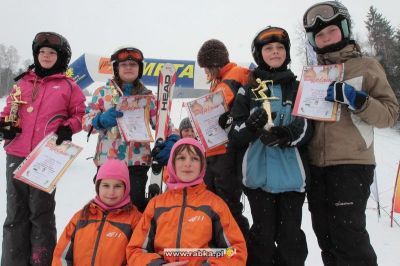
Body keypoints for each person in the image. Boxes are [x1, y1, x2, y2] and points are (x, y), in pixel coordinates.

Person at [302, 2, 399, 265]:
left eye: (330, 31)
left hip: (351, 165)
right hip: (316, 167)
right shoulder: (313, 75)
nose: (325, 38)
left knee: (349, 238)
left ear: (344, 29)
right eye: (319, 35)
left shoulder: (366, 66)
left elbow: (390, 114)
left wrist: (358, 100)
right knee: (325, 237)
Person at [0, 32, 86, 265]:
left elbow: (80, 114)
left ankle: (41, 261)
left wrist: (68, 127)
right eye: (42, 52)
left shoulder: (68, 86)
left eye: (51, 53)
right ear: (36, 55)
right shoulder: (22, 83)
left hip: (46, 157)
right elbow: (9, 111)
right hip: (16, 154)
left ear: (61, 57)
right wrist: (4, 125)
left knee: (41, 214)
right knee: (15, 213)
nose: (46, 56)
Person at [229, 26, 312, 265]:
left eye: (279, 48)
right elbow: (235, 133)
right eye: (268, 48)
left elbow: (308, 127)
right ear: (259, 54)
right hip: (258, 179)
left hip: (292, 180)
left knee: (291, 239)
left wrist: (287, 135)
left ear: (286, 53)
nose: (275, 52)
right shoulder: (248, 89)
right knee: (262, 238)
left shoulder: (298, 87)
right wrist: (252, 126)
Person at [126, 138, 247, 265]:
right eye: (181, 158)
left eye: (194, 158)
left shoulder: (215, 204)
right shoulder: (156, 204)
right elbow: (135, 251)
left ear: (202, 165)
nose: (188, 164)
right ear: (172, 163)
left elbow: (235, 250)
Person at [82, 46, 156, 212]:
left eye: (133, 64)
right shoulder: (102, 93)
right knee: (108, 207)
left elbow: (163, 124)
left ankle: (135, 237)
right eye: (123, 64)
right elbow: (85, 122)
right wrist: (99, 120)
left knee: (134, 209)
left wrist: (171, 139)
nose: (129, 67)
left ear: (140, 69)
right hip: (108, 161)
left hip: (137, 163)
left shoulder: (148, 97)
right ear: (116, 68)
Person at [196, 39, 250, 238]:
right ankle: (223, 246)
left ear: (214, 65)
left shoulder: (233, 77)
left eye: (206, 68)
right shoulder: (221, 80)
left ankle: (240, 249)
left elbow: (219, 107)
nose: (206, 73)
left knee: (228, 207)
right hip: (215, 150)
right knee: (217, 205)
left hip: (225, 151)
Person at [52, 159, 142, 265]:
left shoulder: (136, 220)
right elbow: (61, 256)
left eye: (117, 186)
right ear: (98, 186)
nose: (111, 192)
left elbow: (138, 258)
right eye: (106, 185)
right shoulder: (81, 217)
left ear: (126, 188)